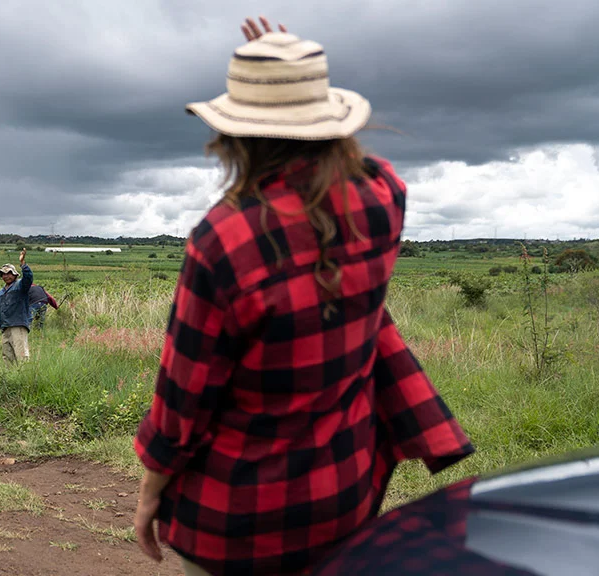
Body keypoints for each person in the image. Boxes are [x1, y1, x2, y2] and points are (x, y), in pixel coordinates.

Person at [132, 17, 474, 576]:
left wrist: (151, 490)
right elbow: (360, 167)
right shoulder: (382, 198)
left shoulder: (225, 238)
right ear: (330, 124)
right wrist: (293, 86)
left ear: (234, 136)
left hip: (240, 517)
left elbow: (182, 401)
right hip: (343, 492)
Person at [0, 248, 33, 363]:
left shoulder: (20, 286)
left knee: (21, 355)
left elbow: (28, 278)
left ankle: (25, 374)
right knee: (7, 357)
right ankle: (11, 375)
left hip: (18, 325)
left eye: (9, 273)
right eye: (3, 274)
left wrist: (23, 264)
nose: (6, 276)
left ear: (14, 274)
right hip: (5, 327)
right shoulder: (1, 292)